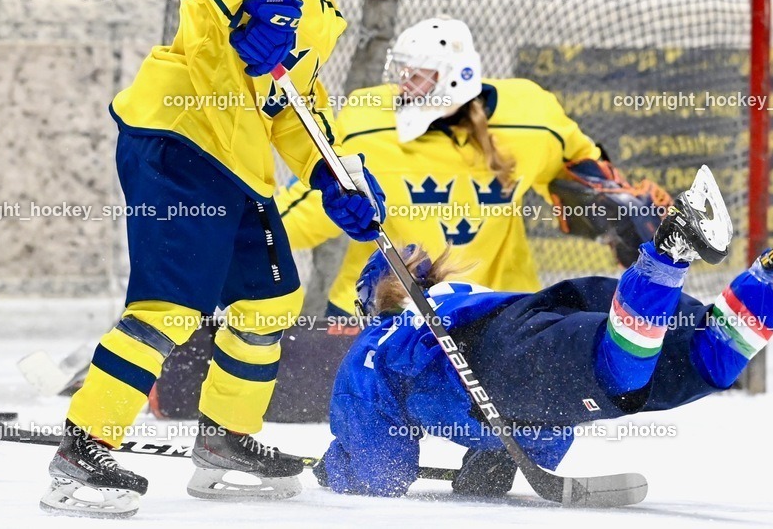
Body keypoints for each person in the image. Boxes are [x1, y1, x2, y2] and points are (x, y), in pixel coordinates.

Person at [41, 0, 386, 517]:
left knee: (271, 299)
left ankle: (225, 439)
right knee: (168, 306)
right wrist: (246, 8)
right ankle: (83, 449)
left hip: (234, 161)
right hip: (182, 138)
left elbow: (292, 107)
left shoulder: (316, 8)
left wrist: (334, 173)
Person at [313, 172, 773, 498]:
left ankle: (671, 248)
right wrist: (491, 466)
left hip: (512, 355)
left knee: (615, 374)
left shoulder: (376, 345)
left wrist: (337, 468)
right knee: (712, 357)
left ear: (373, 301)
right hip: (562, 319)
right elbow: (543, 420)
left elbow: (381, 472)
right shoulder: (457, 299)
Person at [278, 16, 672, 317]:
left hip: (500, 310)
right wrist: (256, 233)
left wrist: (619, 211)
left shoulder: (531, 118)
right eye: (402, 73)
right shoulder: (368, 120)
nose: (403, 85)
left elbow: (581, 171)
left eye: (417, 75)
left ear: (453, 79)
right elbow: (312, 205)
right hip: (381, 310)